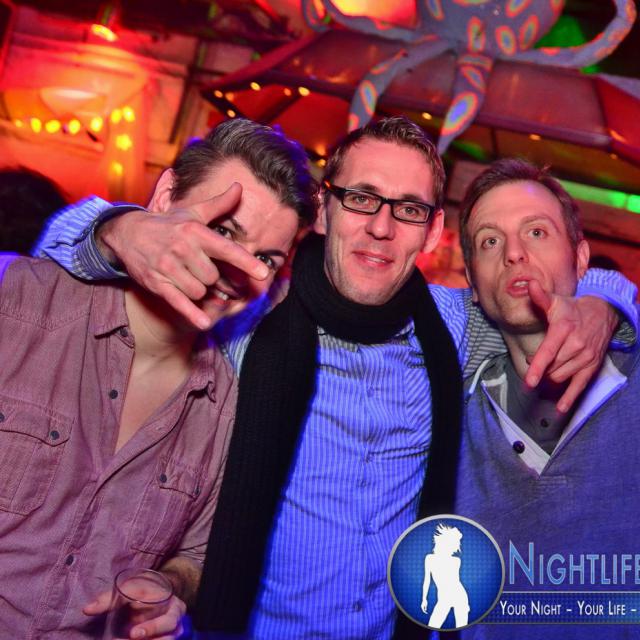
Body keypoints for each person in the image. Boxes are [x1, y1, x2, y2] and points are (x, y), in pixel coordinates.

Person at [35, 118, 638, 640]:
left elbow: (532, 295)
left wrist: (604, 303)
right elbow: (55, 248)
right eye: (361, 198)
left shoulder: (456, 329)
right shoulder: (247, 313)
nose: (382, 227)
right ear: (324, 210)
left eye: (408, 209)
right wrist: (122, 230)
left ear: (431, 233)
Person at [0, 118, 314, 640]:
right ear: (166, 197)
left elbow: (196, 555)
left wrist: (168, 584)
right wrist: (114, 228)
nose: (235, 268)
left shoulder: (229, 411)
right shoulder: (17, 303)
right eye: (223, 232)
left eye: (264, 258)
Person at [453, 158, 640, 639]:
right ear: (471, 283)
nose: (514, 254)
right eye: (490, 241)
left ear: (581, 260)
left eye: (536, 232)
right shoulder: (446, 412)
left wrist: (610, 302)